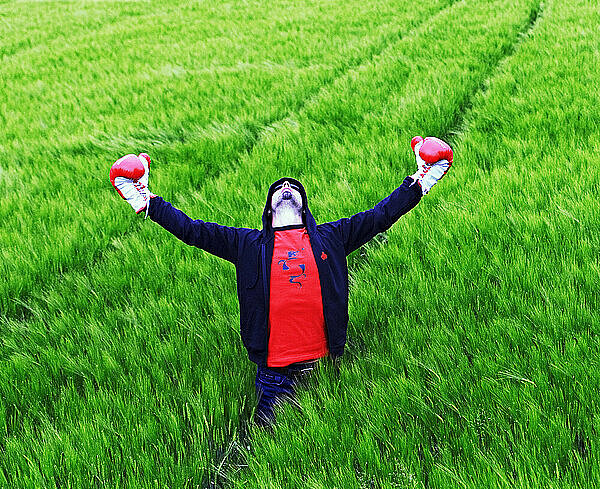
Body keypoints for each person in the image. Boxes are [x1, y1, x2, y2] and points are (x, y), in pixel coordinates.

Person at [110, 136, 452, 427]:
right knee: (267, 450)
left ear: (304, 209)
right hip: (275, 375)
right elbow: (193, 230)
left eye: (293, 188)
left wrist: (420, 181)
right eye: (279, 189)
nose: (287, 188)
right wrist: (148, 202)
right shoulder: (247, 244)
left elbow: (381, 216)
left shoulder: (333, 237)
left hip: (324, 367)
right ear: (269, 211)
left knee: (332, 444)